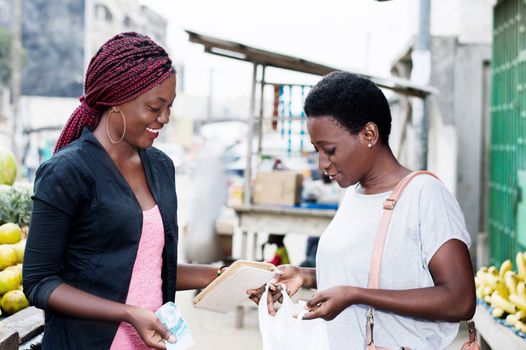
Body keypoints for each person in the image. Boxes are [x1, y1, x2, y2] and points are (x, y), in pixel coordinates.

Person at [23, 32, 223, 350]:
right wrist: (128, 314)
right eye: (154, 107)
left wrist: (224, 276)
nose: (165, 118)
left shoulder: (161, 167)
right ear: (117, 99)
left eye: (170, 106)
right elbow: (39, 284)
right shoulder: (67, 172)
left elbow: (150, 266)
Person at [248, 71, 476, 349]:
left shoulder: (425, 195)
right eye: (316, 150)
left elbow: (460, 300)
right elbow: (369, 272)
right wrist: (303, 275)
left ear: (369, 134)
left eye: (329, 150)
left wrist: (358, 296)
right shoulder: (353, 195)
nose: (322, 163)